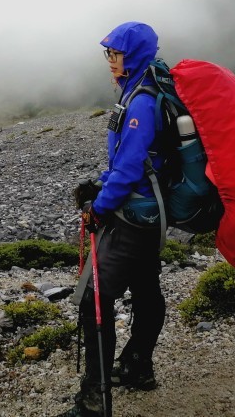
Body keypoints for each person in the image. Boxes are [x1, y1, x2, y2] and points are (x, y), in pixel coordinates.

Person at [62, 22, 167, 417]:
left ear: (133, 55)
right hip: (152, 214)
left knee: (95, 300)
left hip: (133, 217)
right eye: (108, 53)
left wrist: (99, 207)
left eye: (115, 54)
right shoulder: (146, 87)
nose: (110, 61)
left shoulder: (139, 102)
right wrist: (100, 183)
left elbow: (128, 171)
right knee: (144, 288)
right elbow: (132, 163)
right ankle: (138, 366)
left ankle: (93, 402)